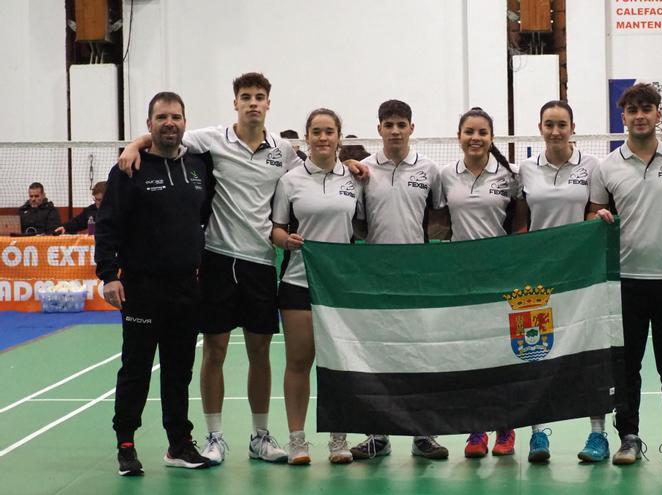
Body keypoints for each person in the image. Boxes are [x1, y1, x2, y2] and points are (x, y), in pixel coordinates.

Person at [118, 73, 299, 466]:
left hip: (261, 263)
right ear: (235, 102)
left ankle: (260, 436)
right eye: (246, 97)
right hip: (217, 258)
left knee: (260, 353)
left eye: (260, 97)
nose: (253, 102)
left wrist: (352, 165)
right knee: (214, 350)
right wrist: (134, 144)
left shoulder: (283, 151)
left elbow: (312, 172)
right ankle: (214, 436)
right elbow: (165, 133)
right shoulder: (211, 139)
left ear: (269, 103)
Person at [95, 91, 214, 476]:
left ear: (185, 122)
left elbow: (205, 216)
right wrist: (109, 276)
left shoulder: (199, 166)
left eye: (176, 117)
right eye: (161, 117)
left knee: (179, 370)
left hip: (186, 288)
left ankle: (178, 442)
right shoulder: (129, 169)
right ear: (149, 125)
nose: (170, 123)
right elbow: (108, 226)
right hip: (142, 288)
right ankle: (126, 444)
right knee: (136, 369)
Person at [589, 83, 662, 465]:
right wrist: (596, 217)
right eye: (632, 110)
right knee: (626, 366)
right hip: (626, 283)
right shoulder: (607, 166)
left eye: (646, 108)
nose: (639, 115)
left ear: (658, 113)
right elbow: (594, 213)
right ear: (624, 117)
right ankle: (628, 437)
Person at [348, 100, 449, 461]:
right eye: (388, 124)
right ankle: (377, 434)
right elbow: (358, 224)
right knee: (378, 355)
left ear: (411, 128)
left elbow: (439, 218)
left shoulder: (429, 170)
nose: (394, 130)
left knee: (418, 355)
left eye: (400, 124)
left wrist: (417, 252)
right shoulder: (363, 171)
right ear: (379, 129)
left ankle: (424, 435)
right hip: (377, 278)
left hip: (417, 278)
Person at [271, 108, 364, 465]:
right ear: (306, 138)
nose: (323, 137)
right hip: (297, 282)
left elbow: (363, 225)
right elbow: (276, 228)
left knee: (336, 363)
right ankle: (297, 440)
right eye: (316, 131)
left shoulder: (354, 179)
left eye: (329, 131)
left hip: (338, 287)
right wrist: (285, 241)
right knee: (299, 362)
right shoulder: (290, 181)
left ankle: (338, 438)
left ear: (339, 137)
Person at [512, 100, 600, 463]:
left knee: (590, 353)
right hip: (538, 279)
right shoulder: (526, 170)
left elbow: (595, 211)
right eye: (549, 124)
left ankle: (598, 435)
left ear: (572, 127)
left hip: (581, 275)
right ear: (540, 127)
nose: (555, 131)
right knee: (535, 353)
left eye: (561, 124)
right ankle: (537, 434)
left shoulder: (592, 166)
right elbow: (520, 221)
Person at [437, 107, 521, 459]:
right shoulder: (445, 176)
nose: (475, 138)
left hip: (500, 277)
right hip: (462, 279)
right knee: (469, 354)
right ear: (459, 136)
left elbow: (520, 223)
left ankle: (505, 427)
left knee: (502, 353)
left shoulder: (509, 174)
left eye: (482, 132)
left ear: (491, 137)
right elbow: (439, 224)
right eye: (469, 131)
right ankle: (476, 430)